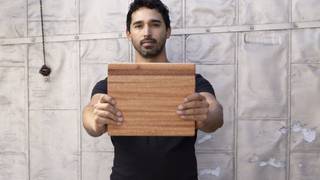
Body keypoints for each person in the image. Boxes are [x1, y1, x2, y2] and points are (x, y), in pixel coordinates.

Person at [82, 0, 223, 179]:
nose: (147, 32)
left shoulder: (191, 80)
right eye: (138, 26)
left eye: (155, 24)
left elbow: (215, 113)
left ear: (168, 31)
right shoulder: (113, 82)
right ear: (128, 33)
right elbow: (90, 111)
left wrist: (206, 114)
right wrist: (94, 118)